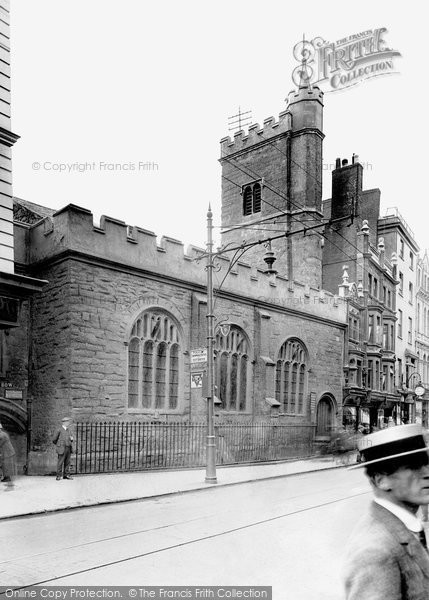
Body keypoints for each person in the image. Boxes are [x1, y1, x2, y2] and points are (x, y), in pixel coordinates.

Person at [343, 424, 429, 599]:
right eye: (412, 466)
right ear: (381, 480)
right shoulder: (374, 552)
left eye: (426, 463)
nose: (427, 473)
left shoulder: (406, 525)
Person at [0, 422, 16, 489]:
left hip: (8, 452)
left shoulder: (2, 435)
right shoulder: (2, 433)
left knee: (7, 467)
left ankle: (10, 485)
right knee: (5, 466)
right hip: (5, 452)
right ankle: (7, 479)